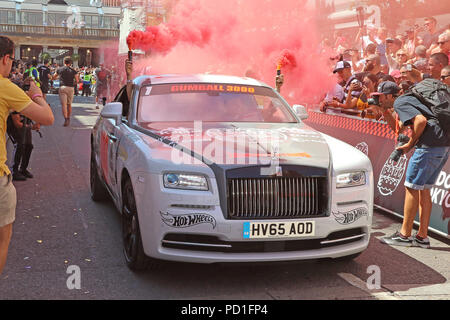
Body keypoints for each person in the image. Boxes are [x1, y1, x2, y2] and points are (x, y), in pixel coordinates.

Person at [0, 36, 54, 274]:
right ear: (5, 58)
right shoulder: (4, 86)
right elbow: (47, 117)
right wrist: (37, 93)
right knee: (2, 239)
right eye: (12, 59)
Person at [376, 81, 449, 248]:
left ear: (389, 95)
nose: (378, 100)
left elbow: (421, 121)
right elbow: (402, 128)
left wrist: (409, 145)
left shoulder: (401, 102)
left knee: (412, 187)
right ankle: (422, 236)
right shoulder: (412, 98)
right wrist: (384, 111)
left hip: (428, 146)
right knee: (424, 189)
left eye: (380, 97)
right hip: (444, 145)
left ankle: (404, 235)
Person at [9, 112, 40, 181]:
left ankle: (23, 169)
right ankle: (14, 171)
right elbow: (17, 124)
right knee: (19, 145)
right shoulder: (15, 105)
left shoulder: (29, 102)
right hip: (13, 127)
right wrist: (31, 127)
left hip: (25, 124)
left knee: (29, 146)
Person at [53, 56, 79, 126]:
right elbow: (77, 80)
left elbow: (53, 77)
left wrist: (58, 77)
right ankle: (69, 117)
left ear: (64, 62)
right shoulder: (73, 70)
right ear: (70, 63)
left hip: (63, 87)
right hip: (70, 88)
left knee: (64, 105)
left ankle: (66, 119)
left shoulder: (60, 69)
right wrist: (73, 83)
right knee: (69, 104)